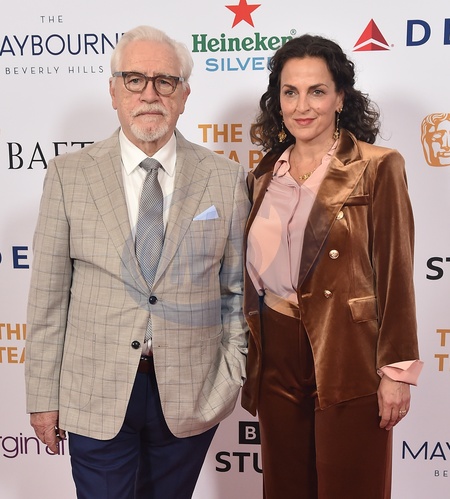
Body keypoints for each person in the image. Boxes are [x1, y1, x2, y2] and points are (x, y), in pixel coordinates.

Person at [25, 25, 249, 499]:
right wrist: (43, 397)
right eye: (134, 80)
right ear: (113, 91)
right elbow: (48, 299)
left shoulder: (226, 178)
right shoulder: (69, 176)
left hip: (191, 392)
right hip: (95, 391)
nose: (150, 94)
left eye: (165, 81)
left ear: (184, 94)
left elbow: (236, 292)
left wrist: (229, 377)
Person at [241, 34, 423, 499]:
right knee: (284, 486)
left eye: (317, 91)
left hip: (348, 351)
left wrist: (396, 372)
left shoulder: (378, 166)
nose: (302, 106)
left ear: (340, 97)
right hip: (277, 351)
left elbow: (396, 275)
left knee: (352, 486)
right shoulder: (264, 173)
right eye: (290, 92)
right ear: (278, 100)